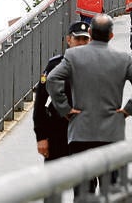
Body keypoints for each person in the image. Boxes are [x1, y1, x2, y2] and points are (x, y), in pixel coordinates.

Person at [46, 14, 132, 191]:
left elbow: (52, 79)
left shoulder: (73, 56)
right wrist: (128, 110)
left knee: (82, 191)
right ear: (111, 35)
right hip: (111, 133)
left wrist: (65, 108)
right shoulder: (123, 59)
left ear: (90, 32)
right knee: (111, 188)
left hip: (80, 132)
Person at [32, 21, 90, 160]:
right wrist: (41, 137)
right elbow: (40, 103)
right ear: (69, 40)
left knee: (84, 180)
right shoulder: (55, 66)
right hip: (58, 132)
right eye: (78, 39)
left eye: (85, 39)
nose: (81, 43)